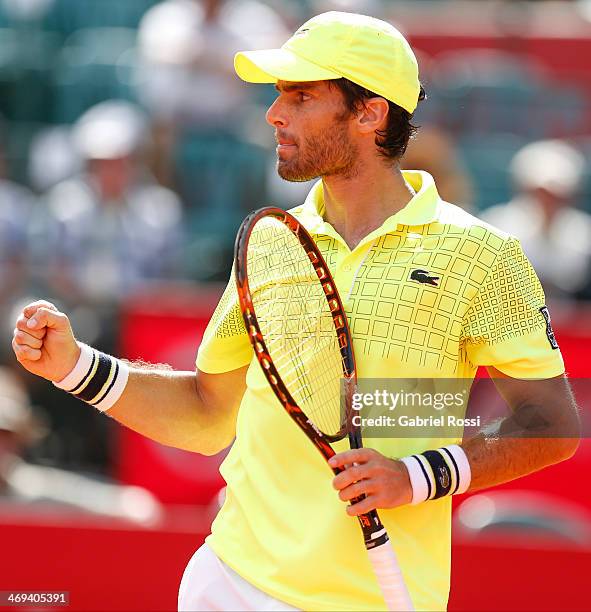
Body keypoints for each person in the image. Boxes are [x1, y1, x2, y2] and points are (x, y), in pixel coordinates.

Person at [12, 11, 579, 612]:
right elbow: (207, 415)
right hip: (230, 579)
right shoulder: (269, 241)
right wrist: (74, 367)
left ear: (369, 113)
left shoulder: (483, 255)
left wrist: (416, 475)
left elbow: (551, 424)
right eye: (279, 95)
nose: (274, 114)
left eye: (301, 96)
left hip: (375, 597)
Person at [481, 139, 591, 301]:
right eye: (541, 192)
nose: (548, 200)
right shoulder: (494, 225)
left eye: (557, 195)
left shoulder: (583, 232)